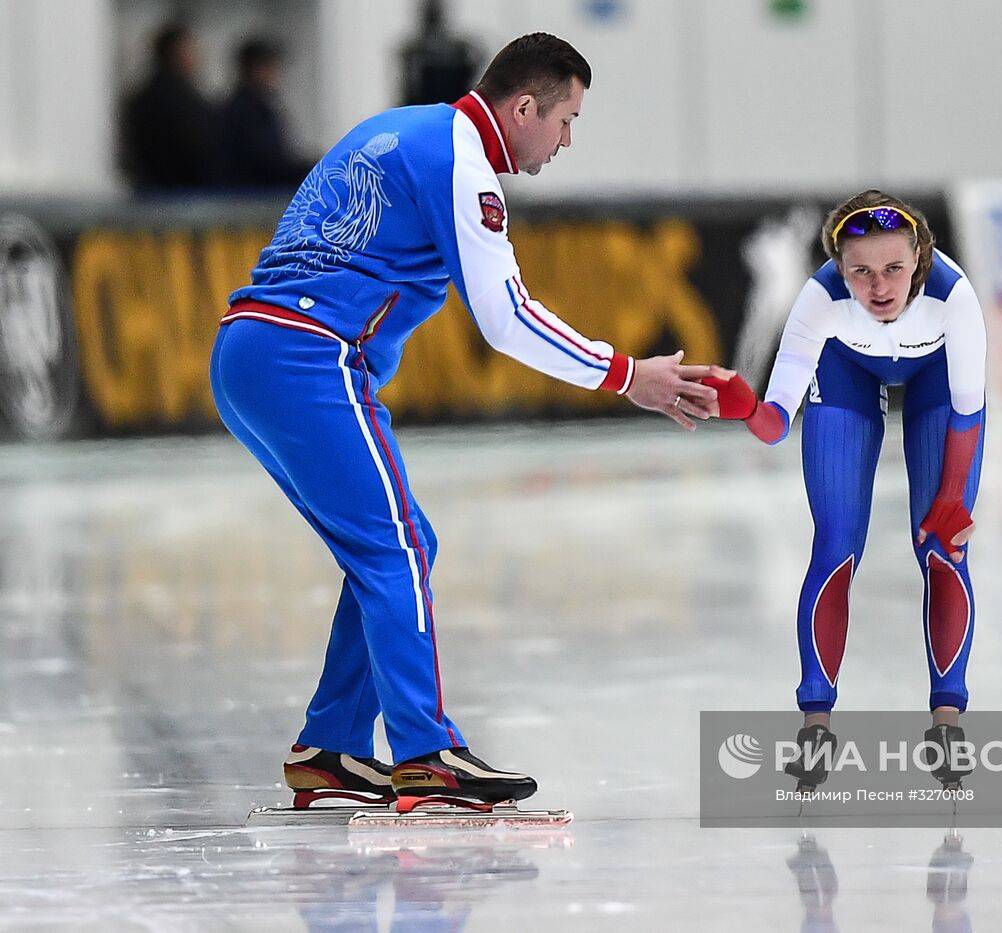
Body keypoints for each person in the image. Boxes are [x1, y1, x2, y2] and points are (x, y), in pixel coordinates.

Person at [210, 33, 722, 811]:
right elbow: (505, 317)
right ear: (523, 108)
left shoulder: (407, 128)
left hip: (250, 351)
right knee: (399, 547)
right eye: (566, 120)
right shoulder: (463, 164)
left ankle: (334, 746)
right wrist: (629, 375)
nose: (566, 140)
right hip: (307, 354)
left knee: (392, 545)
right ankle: (427, 752)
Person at [705, 190, 987, 790]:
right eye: (860, 271)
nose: (878, 287)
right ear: (839, 266)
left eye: (892, 269)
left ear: (919, 259)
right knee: (834, 546)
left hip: (937, 383)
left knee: (942, 549)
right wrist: (745, 408)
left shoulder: (953, 297)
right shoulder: (821, 299)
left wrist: (952, 500)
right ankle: (815, 728)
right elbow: (776, 422)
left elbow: (968, 415)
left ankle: (947, 723)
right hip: (848, 373)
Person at [118, 22, 219, 192]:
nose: (197, 57)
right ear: (175, 53)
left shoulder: (142, 96)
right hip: (180, 195)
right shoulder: (177, 100)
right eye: (191, 50)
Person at [218, 38, 313, 190]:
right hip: (249, 201)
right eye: (271, 66)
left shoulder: (260, 107)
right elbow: (269, 164)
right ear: (256, 69)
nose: (277, 73)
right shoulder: (244, 112)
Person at [399, 0, 489, 106]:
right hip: (428, 106)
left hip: (451, 104)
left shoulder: (461, 47)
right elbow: (409, 89)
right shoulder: (412, 50)